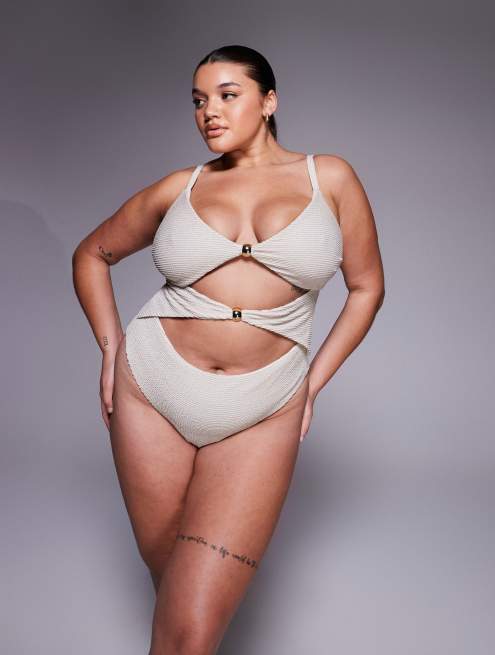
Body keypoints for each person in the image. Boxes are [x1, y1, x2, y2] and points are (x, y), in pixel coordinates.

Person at [72, 44, 385, 654]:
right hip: (152, 392)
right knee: (175, 611)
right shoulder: (180, 186)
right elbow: (93, 254)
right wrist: (111, 351)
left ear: (269, 102)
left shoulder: (330, 177)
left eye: (227, 94)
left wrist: (311, 383)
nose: (208, 111)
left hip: (263, 406)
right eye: (198, 100)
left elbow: (367, 288)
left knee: (192, 625)